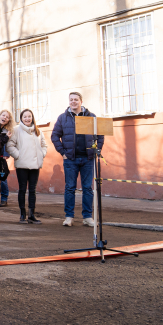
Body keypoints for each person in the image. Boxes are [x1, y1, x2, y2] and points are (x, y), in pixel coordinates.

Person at [51, 91, 105, 227]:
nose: (73, 102)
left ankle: (87, 217)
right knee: (70, 188)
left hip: (88, 159)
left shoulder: (91, 117)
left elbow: (100, 135)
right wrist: (62, 152)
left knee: (87, 188)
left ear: (81, 101)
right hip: (70, 159)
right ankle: (69, 217)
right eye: (71, 100)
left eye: (76, 99)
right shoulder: (63, 118)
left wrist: (96, 149)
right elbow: (55, 136)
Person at [7, 109, 47, 224]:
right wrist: (18, 155)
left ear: (32, 117)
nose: (27, 119)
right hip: (22, 165)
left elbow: (44, 145)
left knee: (33, 190)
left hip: (35, 165)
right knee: (22, 189)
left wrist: (41, 154)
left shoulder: (38, 131)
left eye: (29, 116)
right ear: (21, 118)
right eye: (25, 117)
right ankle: (22, 214)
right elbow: (10, 145)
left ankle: (31, 215)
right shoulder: (16, 130)